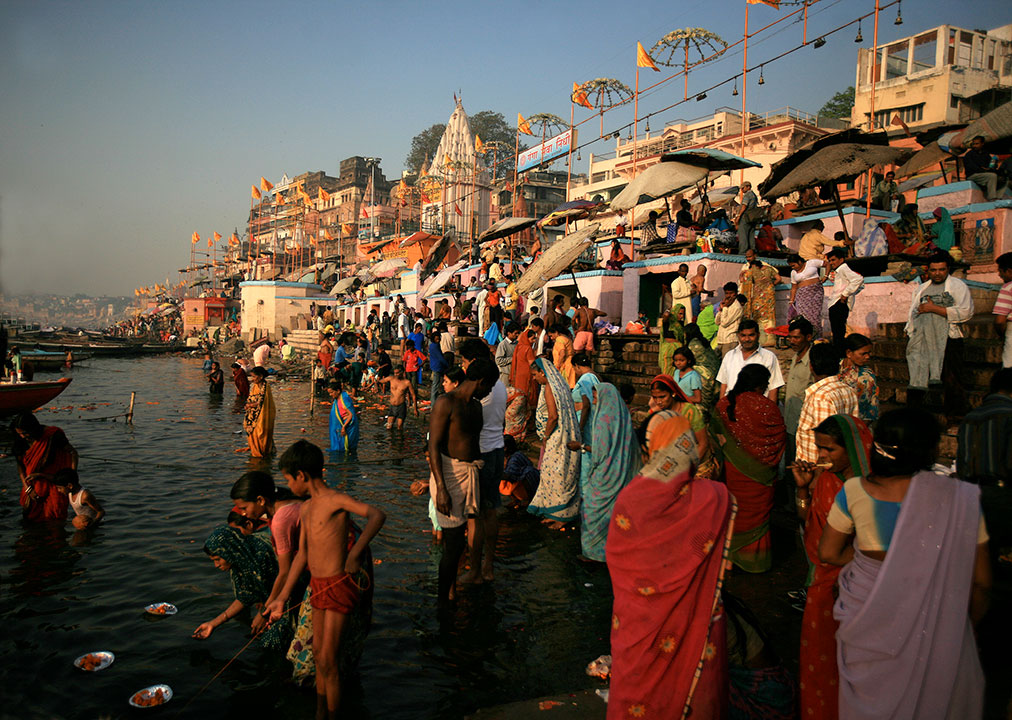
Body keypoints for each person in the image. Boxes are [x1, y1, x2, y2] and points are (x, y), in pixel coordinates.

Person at [820, 409, 990, 720]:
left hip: (867, 625)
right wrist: (962, 627)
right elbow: (982, 583)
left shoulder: (856, 491)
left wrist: (868, 557)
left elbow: (829, 553)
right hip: (938, 628)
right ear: (930, 449)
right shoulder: (960, 498)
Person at [607, 412, 735, 720]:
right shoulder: (715, 497)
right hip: (698, 620)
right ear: (688, 447)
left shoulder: (630, 499)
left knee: (637, 690)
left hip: (639, 625)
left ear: (651, 449)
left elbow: (617, 560)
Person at [266, 441, 386, 720]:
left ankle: (332, 715)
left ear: (301, 476)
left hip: (338, 584)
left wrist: (355, 553)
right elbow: (302, 556)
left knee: (329, 662)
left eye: (287, 479)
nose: (287, 485)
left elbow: (376, 515)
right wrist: (282, 598)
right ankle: (321, 713)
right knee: (319, 657)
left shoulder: (335, 500)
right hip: (317, 587)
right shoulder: (306, 509)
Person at [791, 414, 873, 720]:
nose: (821, 456)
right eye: (818, 448)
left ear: (853, 448)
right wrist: (802, 489)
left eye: (829, 450)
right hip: (821, 583)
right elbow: (808, 523)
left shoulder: (871, 490)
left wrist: (845, 561)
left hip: (855, 587)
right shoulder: (825, 480)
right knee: (820, 659)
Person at [425, 358, 495, 605]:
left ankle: (451, 591)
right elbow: (433, 446)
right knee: (453, 545)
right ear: (482, 382)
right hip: (450, 478)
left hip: (469, 476)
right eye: (490, 386)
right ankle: (443, 600)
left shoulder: (476, 406)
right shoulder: (446, 403)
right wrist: (440, 488)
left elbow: (471, 443)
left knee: (460, 542)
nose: (490, 391)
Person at [712, 365, 786, 572]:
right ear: (761, 385)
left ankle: (728, 559)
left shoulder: (725, 404)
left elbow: (715, 435)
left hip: (732, 472)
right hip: (761, 475)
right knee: (757, 516)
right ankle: (754, 561)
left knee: (733, 513)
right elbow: (779, 435)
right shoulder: (767, 407)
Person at [567, 383, 639, 562]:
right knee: (614, 512)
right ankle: (616, 549)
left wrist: (580, 446)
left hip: (605, 473)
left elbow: (600, 451)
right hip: (620, 470)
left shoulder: (603, 419)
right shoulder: (622, 416)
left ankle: (594, 554)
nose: (595, 401)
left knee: (593, 511)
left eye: (597, 397)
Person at [194, 525, 293, 651]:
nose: (216, 565)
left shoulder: (260, 553)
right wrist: (213, 624)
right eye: (213, 560)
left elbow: (282, 583)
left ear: (228, 551)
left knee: (272, 642)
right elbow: (245, 597)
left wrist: (263, 614)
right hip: (272, 604)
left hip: (292, 596)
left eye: (218, 559)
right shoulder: (239, 561)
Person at [904, 251, 973, 416]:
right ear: (928, 270)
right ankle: (915, 417)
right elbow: (913, 312)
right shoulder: (922, 289)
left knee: (952, 379)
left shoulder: (958, 286)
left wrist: (934, 308)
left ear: (948, 269)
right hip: (923, 339)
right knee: (917, 377)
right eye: (933, 270)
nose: (937, 273)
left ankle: (954, 418)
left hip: (949, 338)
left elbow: (966, 312)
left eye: (941, 270)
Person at [956, 367, 1012, 560]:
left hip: (970, 494)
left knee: (979, 558)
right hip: (1001, 495)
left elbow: (962, 462)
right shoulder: (1009, 414)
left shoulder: (971, 417)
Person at [527, 358, 581, 527]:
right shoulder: (561, 384)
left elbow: (553, 416)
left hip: (557, 437)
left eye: (535, 375)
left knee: (555, 473)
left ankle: (560, 515)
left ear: (543, 372)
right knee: (563, 473)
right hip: (568, 434)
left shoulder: (550, 387)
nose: (535, 379)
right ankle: (557, 512)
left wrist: (545, 436)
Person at [468, 355, 506, 584]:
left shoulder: (478, 391)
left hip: (479, 452)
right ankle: (488, 567)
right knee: (490, 511)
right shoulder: (500, 385)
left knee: (474, 515)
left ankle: (474, 570)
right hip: (497, 448)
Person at [796, 343, 859, 465]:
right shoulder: (848, 390)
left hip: (818, 467)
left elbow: (826, 443)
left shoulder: (821, 397)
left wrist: (817, 477)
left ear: (811, 367)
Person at [11, 411, 78, 522]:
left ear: (33, 429)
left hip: (54, 484)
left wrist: (71, 478)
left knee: (55, 519)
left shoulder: (52, 436)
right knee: (30, 520)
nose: (23, 436)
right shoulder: (20, 440)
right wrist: (27, 488)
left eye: (25, 433)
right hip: (32, 486)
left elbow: (73, 453)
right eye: (20, 434)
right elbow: (20, 466)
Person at [716, 319, 785, 401]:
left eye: (751, 335)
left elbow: (773, 388)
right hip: (733, 407)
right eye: (743, 335)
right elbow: (724, 384)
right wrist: (722, 408)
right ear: (738, 336)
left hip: (757, 408)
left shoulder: (769, 357)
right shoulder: (729, 356)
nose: (747, 339)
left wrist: (770, 410)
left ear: (758, 335)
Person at [783, 317, 815, 464]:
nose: (792, 341)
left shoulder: (814, 361)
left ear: (808, 337)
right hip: (790, 422)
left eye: (796, 337)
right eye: (790, 337)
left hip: (806, 426)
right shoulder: (796, 356)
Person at [824, 248, 864, 352]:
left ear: (841, 260)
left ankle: (840, 353)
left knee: (838, 331)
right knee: (838, 331)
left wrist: (846, 294)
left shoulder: (843, 268)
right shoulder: (839, 271)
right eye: (830, 261)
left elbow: (858, 280)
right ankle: (839, 352)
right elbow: (860, 285)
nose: (831, 263)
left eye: (833, 260)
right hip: (835, 303)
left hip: (839, 303)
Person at [738, 250, 780, 346]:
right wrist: (771, 286)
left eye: (749, 257)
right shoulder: (769, 268)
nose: (748, 259)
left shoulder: (750, 270)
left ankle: (763, 340)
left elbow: (745, 283)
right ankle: (771, 338)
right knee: (770, 317)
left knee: (759, 317)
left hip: (758, 297)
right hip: (769, 296)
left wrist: (742, 277)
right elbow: (779, 279)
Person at [838, 334, 879, 425]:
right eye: (863, 353)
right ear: (849, 353)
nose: (867, 357)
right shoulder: (834, 368)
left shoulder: (868, 375)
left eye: (869, 353)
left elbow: (872, 407)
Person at [505, 327, 538, 440]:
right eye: (532, 339)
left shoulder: (519, 347)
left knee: (519, 401)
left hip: (518, 378)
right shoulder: (528, 349)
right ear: (527, 338)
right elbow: (532, 364)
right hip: (527, 378)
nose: (533, 341)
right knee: (527, 400)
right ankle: (527, 426)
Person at [684, 323, 721, 411]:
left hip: (705, 377)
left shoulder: (694, 344)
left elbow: (686, 361)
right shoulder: (702, 341)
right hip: (714, 374)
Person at [788, 254, 826, 335]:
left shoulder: (811, 263)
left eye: (794, 265)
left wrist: (825, 276)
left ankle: (816, 336)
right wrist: (791, 300)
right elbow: (794, 288)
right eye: (791, 266)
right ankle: (806, 337)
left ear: (799, 261)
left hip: (816, 293)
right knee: (804, 317)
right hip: (802, 296)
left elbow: (827, 264)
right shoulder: (793, 273)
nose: (793, 267)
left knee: (815, 315)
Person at [500, 433, 540, 509]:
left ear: (505, 448)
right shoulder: (513, 455)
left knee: (503, 480)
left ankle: (526, 499)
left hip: (528, 483)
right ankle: (517, 500)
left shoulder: (514, 459)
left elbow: (511, 476)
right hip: (524, 481)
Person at [244, 367, 276, 458]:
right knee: (252, 434)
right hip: (253, 416)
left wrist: (250, 405)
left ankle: (262, 454)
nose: (252, 379)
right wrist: (248, 405)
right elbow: (251, 398)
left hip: (263, 415)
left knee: (261, 434)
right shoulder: (255, 386)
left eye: (254, 377)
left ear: (261, 376)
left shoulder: (265, 387)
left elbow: (261, 402)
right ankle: (256, 453)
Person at [962, 134, 1003, 200]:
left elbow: (992, 163)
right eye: (973, 144)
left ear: (982, 144)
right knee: (992, 176)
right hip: (973, 175)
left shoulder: (985, 153)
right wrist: (984, 170)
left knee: (1002, 178)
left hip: (984, 174)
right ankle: (992, 197)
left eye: (977, 144)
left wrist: (991, 167)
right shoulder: (969, 155)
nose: (974, 146)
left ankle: (998, 196)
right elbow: (972, 167)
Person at [326, 379, 359, 454]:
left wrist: (344, 427)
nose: (330, 395)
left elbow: (351, 414)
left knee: (346, 448)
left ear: (338, 391)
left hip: (348, 426)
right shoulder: (338, 399)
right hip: (342, 424)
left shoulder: (344, 399)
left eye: (331, 392)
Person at [993, 251, 1012, 368]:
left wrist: (1001, 334)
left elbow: (1000, 321)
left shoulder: (1008, 288)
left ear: (1009, 271)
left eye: (1000, 271)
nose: (1000, 275)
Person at [715, 282, 744, 357]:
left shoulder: (737, 307)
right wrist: (721, 309)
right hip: (721, 339)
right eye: (726, 293)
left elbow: (724, 323)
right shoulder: (726, 305)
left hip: (730, 340)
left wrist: (725, 308)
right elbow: (717, 322)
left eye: (731, 293)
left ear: (736, 293)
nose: (728, 296)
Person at [658, 304, 686, 375]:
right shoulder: (668, 322)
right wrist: (668, 309)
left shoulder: (680, 325)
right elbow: (666, 315)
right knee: (666, 372)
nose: (681, 316)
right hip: (668, 350)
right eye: (680, 314)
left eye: (683, 314)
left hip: (678, 351)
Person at [386, 365, 417, 430]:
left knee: (399, 427)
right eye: (394, 373)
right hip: (392, 406)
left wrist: (415, 409)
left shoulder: (407, 382)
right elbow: (380, 381)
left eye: (397, 373)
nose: (395, 375)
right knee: (388, 427)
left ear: (402, 372)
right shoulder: (392, 379)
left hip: (401, 406)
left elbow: (413, 395)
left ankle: (400, 439)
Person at [736, 181, 760, 253]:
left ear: (748, 187)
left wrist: (738, 216)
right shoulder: (754, 196)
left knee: (743, 235)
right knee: (751, 236)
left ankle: (743, 252)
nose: (742, 190)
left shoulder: (747, 195)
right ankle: (752, 252)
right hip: (752, 218)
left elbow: (744, 206)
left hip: (745, 217)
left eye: (743, 188)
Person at [428, 330, 449, 404]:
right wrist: (447, 365)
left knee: (437, 385)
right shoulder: (435, 346)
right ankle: (433, 404)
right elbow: (440, 357)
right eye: (436, 339)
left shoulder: (432, 345)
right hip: (437, 367)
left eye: (439, 338)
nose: (438, 340)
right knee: (435, 386)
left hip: (435, 366)